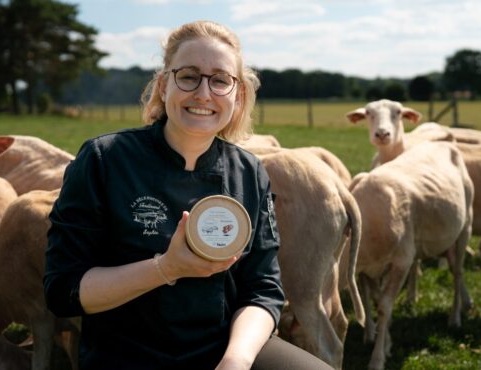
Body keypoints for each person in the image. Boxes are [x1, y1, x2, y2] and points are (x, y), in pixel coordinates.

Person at [44, 20, 333, 370]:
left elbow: (263, 290)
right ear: (164, 85)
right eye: (189, 76)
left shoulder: (249, 172)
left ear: (237, 95)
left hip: (223, 346)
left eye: (220, 80)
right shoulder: (104, 160)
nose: (203, 93)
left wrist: (237, 359)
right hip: (127, 356)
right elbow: (63, 290)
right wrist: (166, 268)